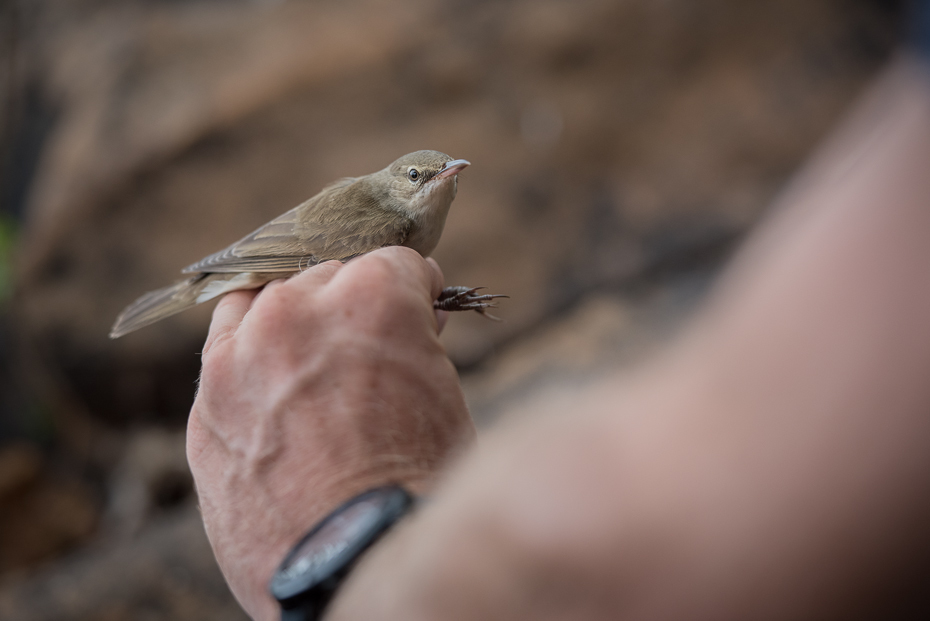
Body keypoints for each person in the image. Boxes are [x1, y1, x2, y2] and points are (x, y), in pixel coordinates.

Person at [186, 49, 930, 620]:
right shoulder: (383, 215)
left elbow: (605, 558)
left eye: (443, 173)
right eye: (425, 177)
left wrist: (339, 536)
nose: (442, 178)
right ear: (401, 184)